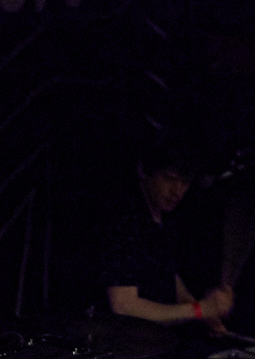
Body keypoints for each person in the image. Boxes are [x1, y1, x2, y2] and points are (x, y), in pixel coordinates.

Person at [100, 139, 234, 329]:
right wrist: (200, 309)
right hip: (120, 340)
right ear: (144, 171)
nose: (177, 191)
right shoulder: (125, 216)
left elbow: (164, 272)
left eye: (185, 182)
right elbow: (123, 305)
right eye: (170, 179)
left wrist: (198, 309)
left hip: (152, 339)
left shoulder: (161, 212)